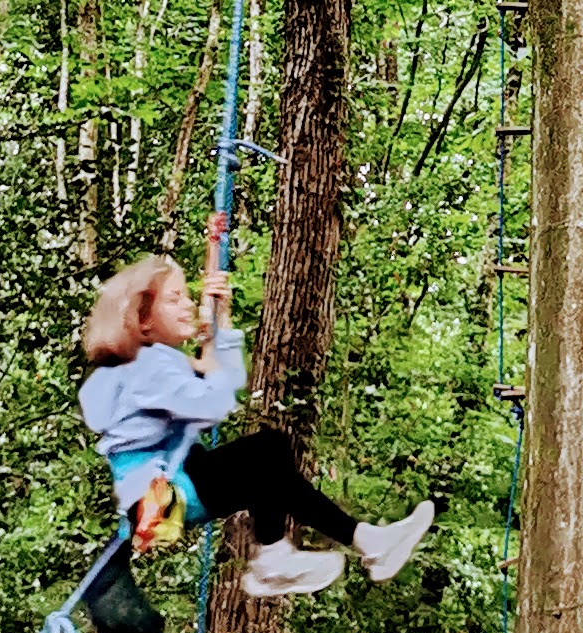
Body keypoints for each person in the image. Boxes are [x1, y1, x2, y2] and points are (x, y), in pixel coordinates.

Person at [80, 249, 434, 600]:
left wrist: (220, 318)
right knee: (267, 451)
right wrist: (217, 333)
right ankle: (285, 557)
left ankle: (355, 543)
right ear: (143, 321)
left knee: (270, 465)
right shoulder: (148, 368)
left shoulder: (149, 364)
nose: (187, 305)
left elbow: (224, 379)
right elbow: (216, 403)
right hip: (164, 494)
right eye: (175, 299)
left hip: (166, 489)